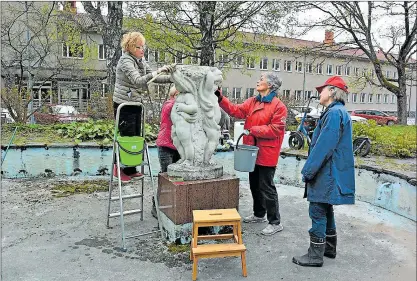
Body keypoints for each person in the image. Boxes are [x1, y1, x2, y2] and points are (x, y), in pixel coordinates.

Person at [292, 76, 355, 267]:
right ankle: (329, 248)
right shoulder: (337, 112)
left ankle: (314, 256)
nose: (320, 92)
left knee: (317, 210)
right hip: (330, 172)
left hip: (326, 173)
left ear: (332, 92)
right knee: (326, 209)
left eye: (323, 89)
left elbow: (324, 147)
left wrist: (308, 171)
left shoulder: (334, 113)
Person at [215, 73, 287, 236]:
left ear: (270, 85)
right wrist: (221, 98)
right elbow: (236, 110)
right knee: (254, 183)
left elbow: (276, 129)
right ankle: (259, 214)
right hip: (252, 150)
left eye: (261, 80)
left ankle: (275, 222)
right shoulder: (253, 101)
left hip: (267, 151)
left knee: (266, 186)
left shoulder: (279, 106)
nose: (258, 81)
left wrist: (253, 130)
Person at [112, 31, 174, 182]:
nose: (142, 49)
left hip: (136, 103)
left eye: (143, 46)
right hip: (124, 104)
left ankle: (131, 168)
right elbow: (138, 81)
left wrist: (172, 78)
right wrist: (158, 71)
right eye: (139, 47)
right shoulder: (125, 61)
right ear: (131, 47)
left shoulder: (140, 60)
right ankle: (119, 168)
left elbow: (153, 78)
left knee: (135, 136)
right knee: (126, 136)